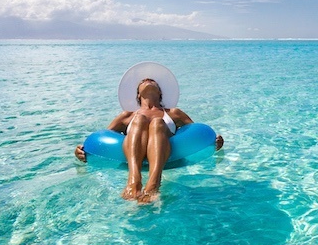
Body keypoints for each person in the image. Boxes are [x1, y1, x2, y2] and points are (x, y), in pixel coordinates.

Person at [75, 77, 223, 204]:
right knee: (139, 119)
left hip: (163, 148)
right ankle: (134, 181)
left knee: (158, 122)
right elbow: (102, 142)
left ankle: (154, 182)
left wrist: (212, 143)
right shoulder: (127, 116)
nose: (147, 80)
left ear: (160, 93)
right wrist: (82, 152)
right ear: (138, 95)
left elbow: (196, 137)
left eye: (152, 81)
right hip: (134, 151)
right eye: (143, 81)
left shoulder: (173, 113)